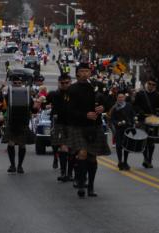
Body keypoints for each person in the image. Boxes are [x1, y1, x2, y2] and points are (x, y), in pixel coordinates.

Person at [66, 62, 111, 198]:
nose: (85, 73)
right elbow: (68, 110)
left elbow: (110, 100)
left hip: (94, 126)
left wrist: (104, 107)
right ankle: (81, 183)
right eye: (82, 71)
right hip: (79, 125)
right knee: (82, 153)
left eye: (87, 71)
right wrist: (84, 114)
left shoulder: (98, 87)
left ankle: (90, 186)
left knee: (92, 157)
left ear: (90, 73)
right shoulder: (72, 89)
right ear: (78, 73)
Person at [4, 76, 38, 174]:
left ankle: (20, 166)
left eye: (19, 83)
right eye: (15, 83)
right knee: (11, 143)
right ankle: (12, 165)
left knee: (22, 144)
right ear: (12, 83)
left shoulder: (27, 95)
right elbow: (4, 107)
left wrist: (36, 105)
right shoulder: (8, 95)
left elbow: (33, 109)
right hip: (12, 122)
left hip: (23, 122)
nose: (17, 85)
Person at [46, 74, 74, 182]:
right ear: (59, 83)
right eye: (62, 83)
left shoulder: (75, 94)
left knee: (72, 150)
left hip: (72, 123)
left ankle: (70, 173)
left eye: (67, 82)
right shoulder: (54, 94)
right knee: (62, 147)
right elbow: (44, 104)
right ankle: (63, 172)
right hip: (60, 123)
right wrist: (43, 103)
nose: (65, 85)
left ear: (70, 82)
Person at [133, 77, 159, 168]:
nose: (151, 86)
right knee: (143, 140)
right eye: (150, 84)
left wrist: (158, 114)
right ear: (147, 83)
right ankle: (145, 158)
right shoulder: (140, 94)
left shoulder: (157, 95)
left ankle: (150, 159)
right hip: (142, 119)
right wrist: (139, 111)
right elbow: (135, 105)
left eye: (153, 85)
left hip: (152, 119)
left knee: (151, 141)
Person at [110, 92, 135, 170]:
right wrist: (117, 123)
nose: (121, 99)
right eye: (119, 97)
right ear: (117, 98)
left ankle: (125, 162)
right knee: (119, 146)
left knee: (126, 146)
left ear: (124, 98)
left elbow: (132, 115)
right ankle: (120, 161)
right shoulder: (114, 107)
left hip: (127, 128)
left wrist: (133, 123)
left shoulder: (129, 105)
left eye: (122, 97)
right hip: (119, 129)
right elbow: (112, 119)